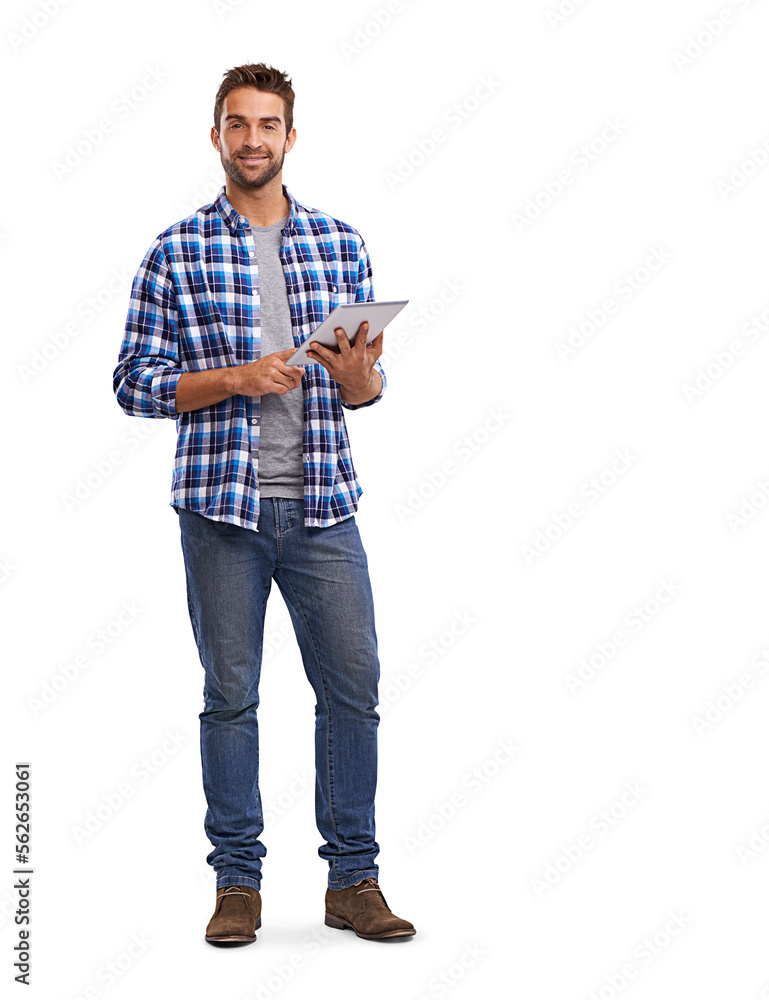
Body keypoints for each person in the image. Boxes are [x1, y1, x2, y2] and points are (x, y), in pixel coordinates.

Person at [112, 62, 415, 945]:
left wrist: (364, 380)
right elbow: (133, 384)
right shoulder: (174, 250)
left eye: (268, 124)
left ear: (290, 136)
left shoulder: (341, 242)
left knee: (353, 692)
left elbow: (365, 386)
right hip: (221, 509)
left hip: (324, 504)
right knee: (231, 697)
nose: (253, 139)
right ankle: (237, 884)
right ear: (216, 137)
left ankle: (352, 881)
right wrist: (234, 380)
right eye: (237, 124)